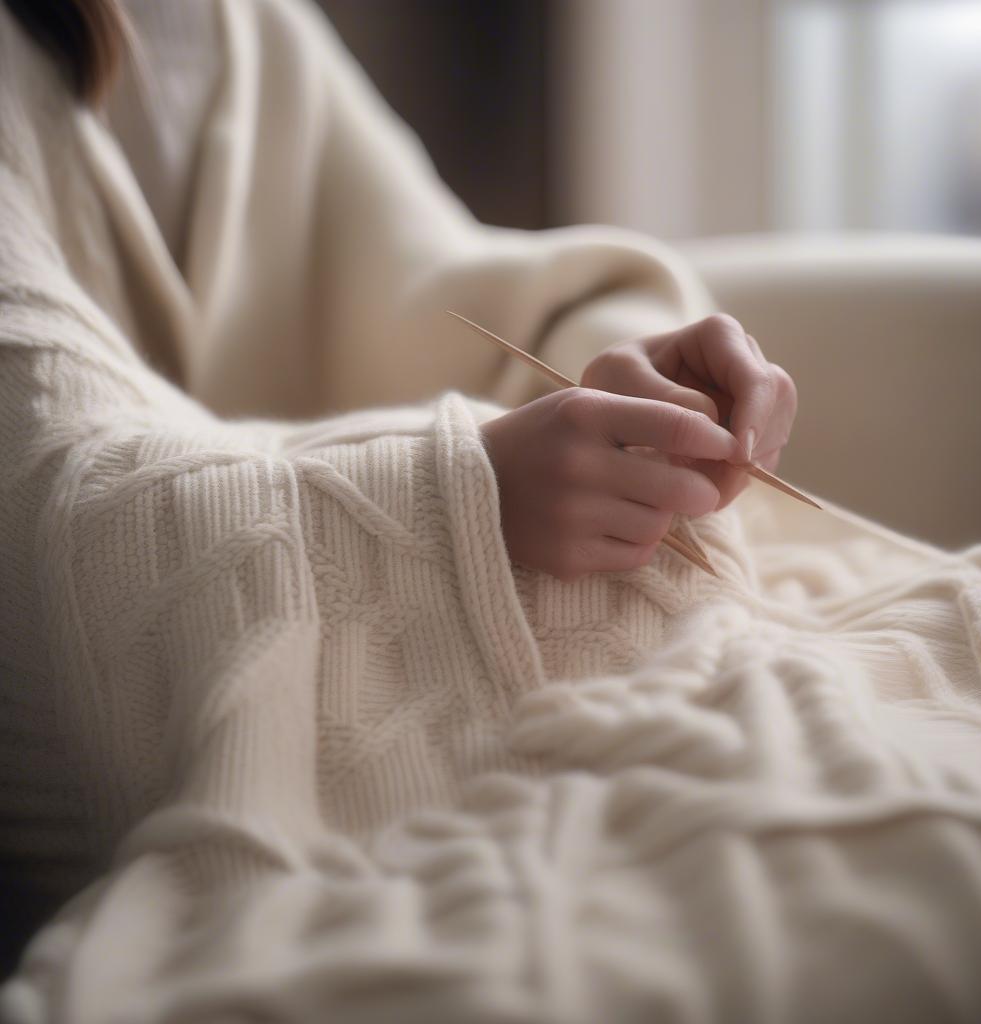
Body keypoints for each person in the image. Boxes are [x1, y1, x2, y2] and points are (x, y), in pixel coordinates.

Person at [0, 0, 793, 991]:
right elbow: (39, 546)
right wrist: (457, 497)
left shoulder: (239, 26)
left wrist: (632, 375)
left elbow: (472, 298)